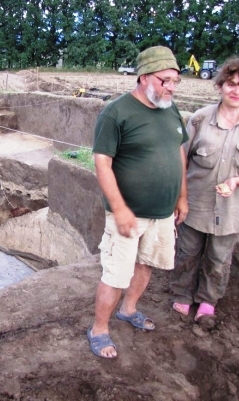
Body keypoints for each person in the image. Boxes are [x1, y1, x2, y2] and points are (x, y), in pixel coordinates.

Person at [88, 46, 189, 359]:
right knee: (116, 273)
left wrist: (182, 196)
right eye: (165, 80)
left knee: (146, 264)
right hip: (128, 214)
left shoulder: (170, 108)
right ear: (144, 77)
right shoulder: (116, 112)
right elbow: (102, 162)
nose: (171, 87)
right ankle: (99, 329)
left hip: (161, 213)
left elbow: (179, 152)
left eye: (175, 80)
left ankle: (129, 310)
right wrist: (119, 208)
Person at [169, 56, 239, 322]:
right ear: (220, 86)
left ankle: (207, 301)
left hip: (231, 210)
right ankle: (181, 294)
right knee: (187, 252)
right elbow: (182, 158)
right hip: (196, 203)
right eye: (231, 84)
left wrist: (237, 181)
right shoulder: (199, 119)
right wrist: (179, 198)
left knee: (218, 258)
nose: (237, 91)